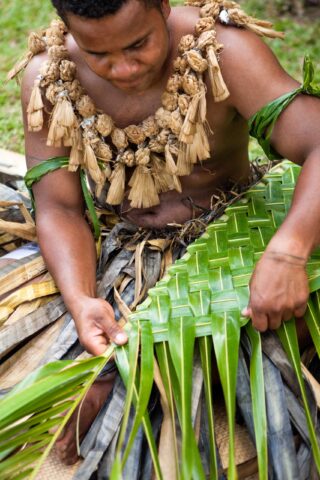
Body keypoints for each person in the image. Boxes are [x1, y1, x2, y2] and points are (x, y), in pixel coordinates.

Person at [18, 0, 320, 472]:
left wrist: (288, 254)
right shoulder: (50, 76)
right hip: (127, 251)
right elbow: (58, 207)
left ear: (162, 5)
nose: (122, 68)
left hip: (232, 233)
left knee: (262, 341)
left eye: (138, 44)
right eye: (98, 53)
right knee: (85, 398)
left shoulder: (220, 50)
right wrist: (80, 298)